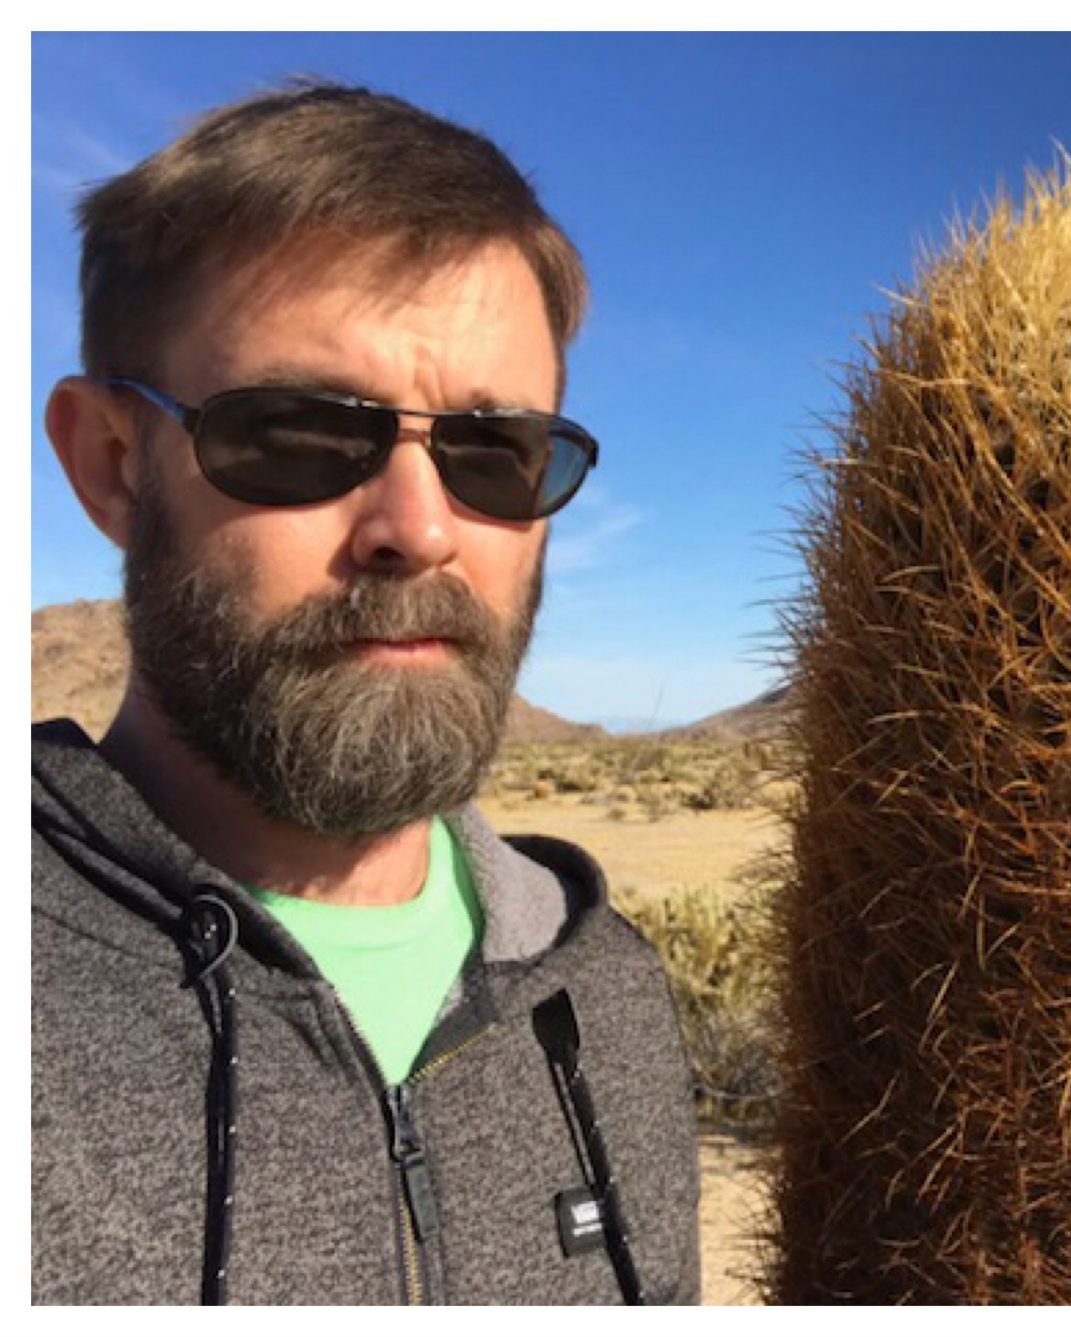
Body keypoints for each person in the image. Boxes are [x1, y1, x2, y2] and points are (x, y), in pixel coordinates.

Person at [31, 82, 700, 1304]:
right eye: (299, 435)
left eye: (495, 450)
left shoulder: (606, 993)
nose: (421, 528)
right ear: (114, 466)